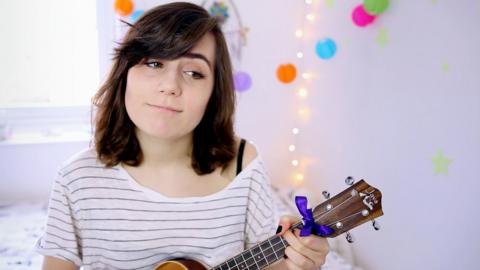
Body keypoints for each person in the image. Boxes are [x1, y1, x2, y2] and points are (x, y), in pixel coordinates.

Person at [36, 2, 329, 269]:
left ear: (214, 93)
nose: (170, 86)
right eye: (154, 63)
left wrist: (297, 263)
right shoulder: (77, 179)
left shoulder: (243, 164)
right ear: (125, 73)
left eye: (194, 73)